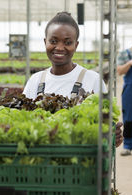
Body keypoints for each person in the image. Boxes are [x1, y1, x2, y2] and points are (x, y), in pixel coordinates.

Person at [23, 11, 123, 147]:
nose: (59, 47)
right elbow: (23, 123)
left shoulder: (92, 79)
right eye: (53, 41)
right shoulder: (35, 81)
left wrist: (112, 137)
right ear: (45, 42)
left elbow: (105, 129)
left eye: (67, 42)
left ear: (76, 45)